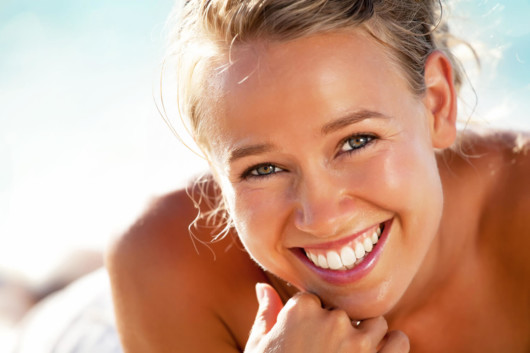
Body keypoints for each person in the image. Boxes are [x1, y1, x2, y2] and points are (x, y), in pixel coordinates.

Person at [106, 0, 530, 352]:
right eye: (264, 169)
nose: (323, 217)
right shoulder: (163, 264)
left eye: (357, 142)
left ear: (437, 104)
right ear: (215, 171)